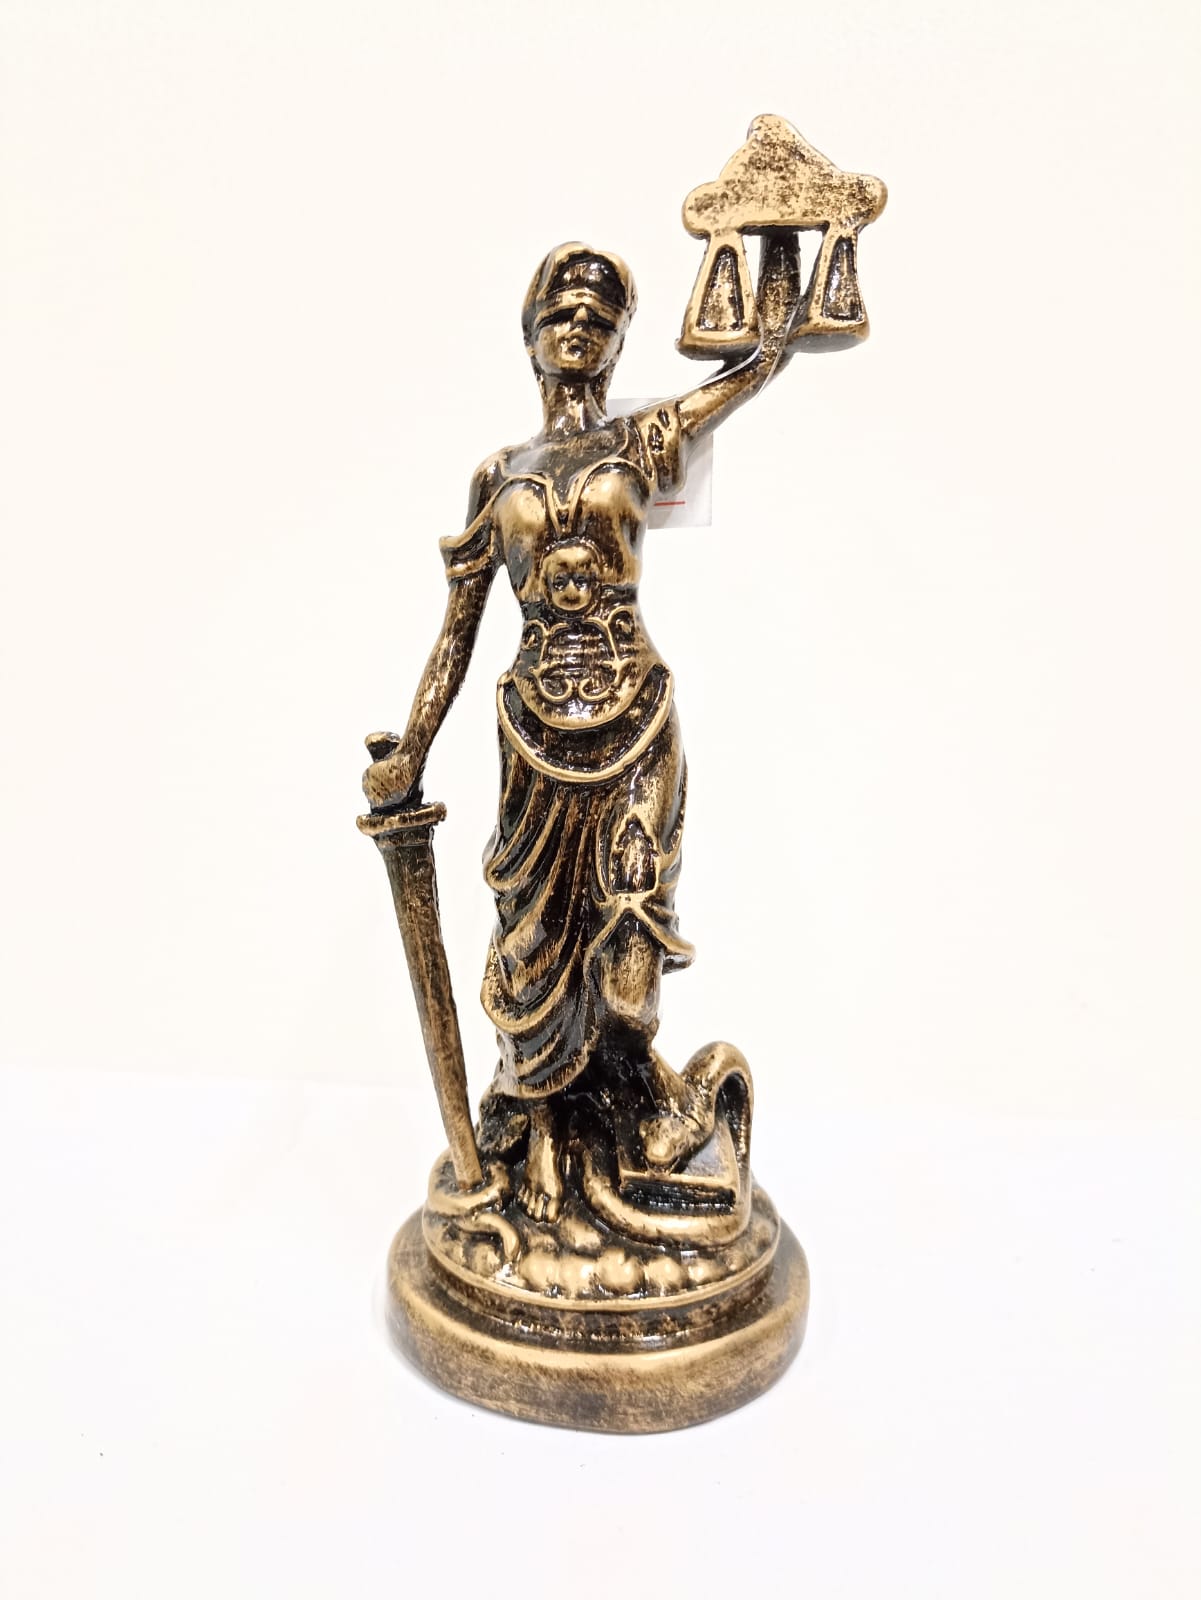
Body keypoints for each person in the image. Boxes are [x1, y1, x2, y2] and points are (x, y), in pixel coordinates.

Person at [364, 236, 801, 1220]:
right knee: (533, 951)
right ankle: (550, 1141)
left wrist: (777, 253)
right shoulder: (498, 474)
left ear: (617, 341)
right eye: (560, 313)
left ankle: (642, 1102)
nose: (578, 327)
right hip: (532, 739)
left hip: (635, 726)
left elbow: (756, 366)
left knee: (628, 953)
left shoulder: (641, 441)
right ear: (528, 335)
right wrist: (411, 749)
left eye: (599, 318)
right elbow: (457, 634)